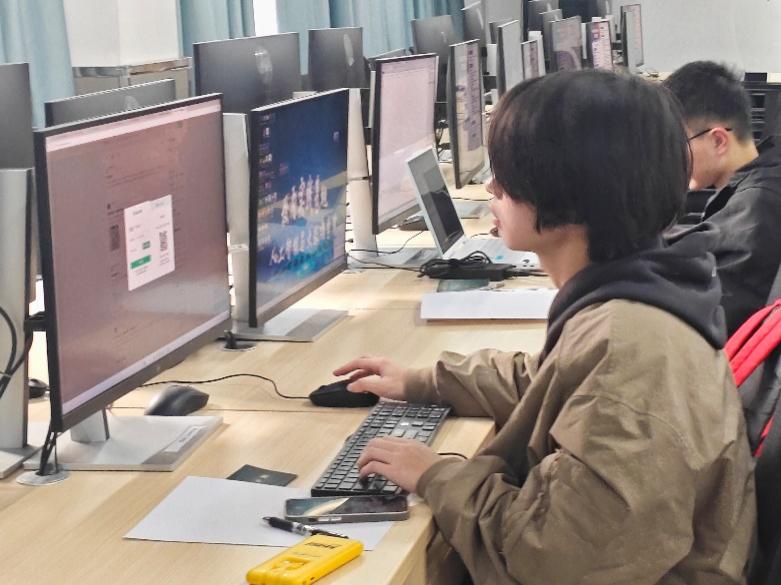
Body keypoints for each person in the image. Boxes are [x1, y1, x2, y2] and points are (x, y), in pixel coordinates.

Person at [335, 70, 756, 585]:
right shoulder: (638, 295)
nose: (491, 187)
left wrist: (437, 475)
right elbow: (547, 383)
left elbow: (553, 560)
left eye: (508, 174)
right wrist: (420, 382)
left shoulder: (632, 353)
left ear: (568, 195)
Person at [664, 61, 781, 335]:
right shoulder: (763, 177)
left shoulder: (756, 210)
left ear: (718, 140)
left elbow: (715, 320)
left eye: (676, 144)